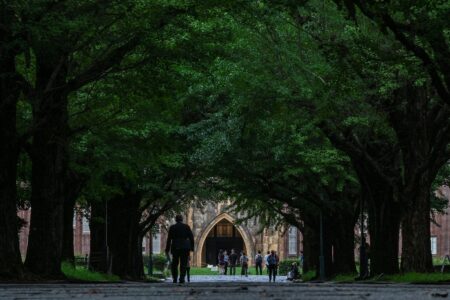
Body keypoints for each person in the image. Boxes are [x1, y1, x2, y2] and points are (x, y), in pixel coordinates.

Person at [165, 214, 194, 284]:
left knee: (175, 263)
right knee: (183, 263)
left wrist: (167, 249)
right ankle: (182, 278)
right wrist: (192, 248)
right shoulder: (186, 227)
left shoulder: (172, 227)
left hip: (175, 246)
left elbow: (169, 239)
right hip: (185, 247)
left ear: (175, 219)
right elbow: (191, 238)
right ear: (182, 219)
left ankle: (175, 278)